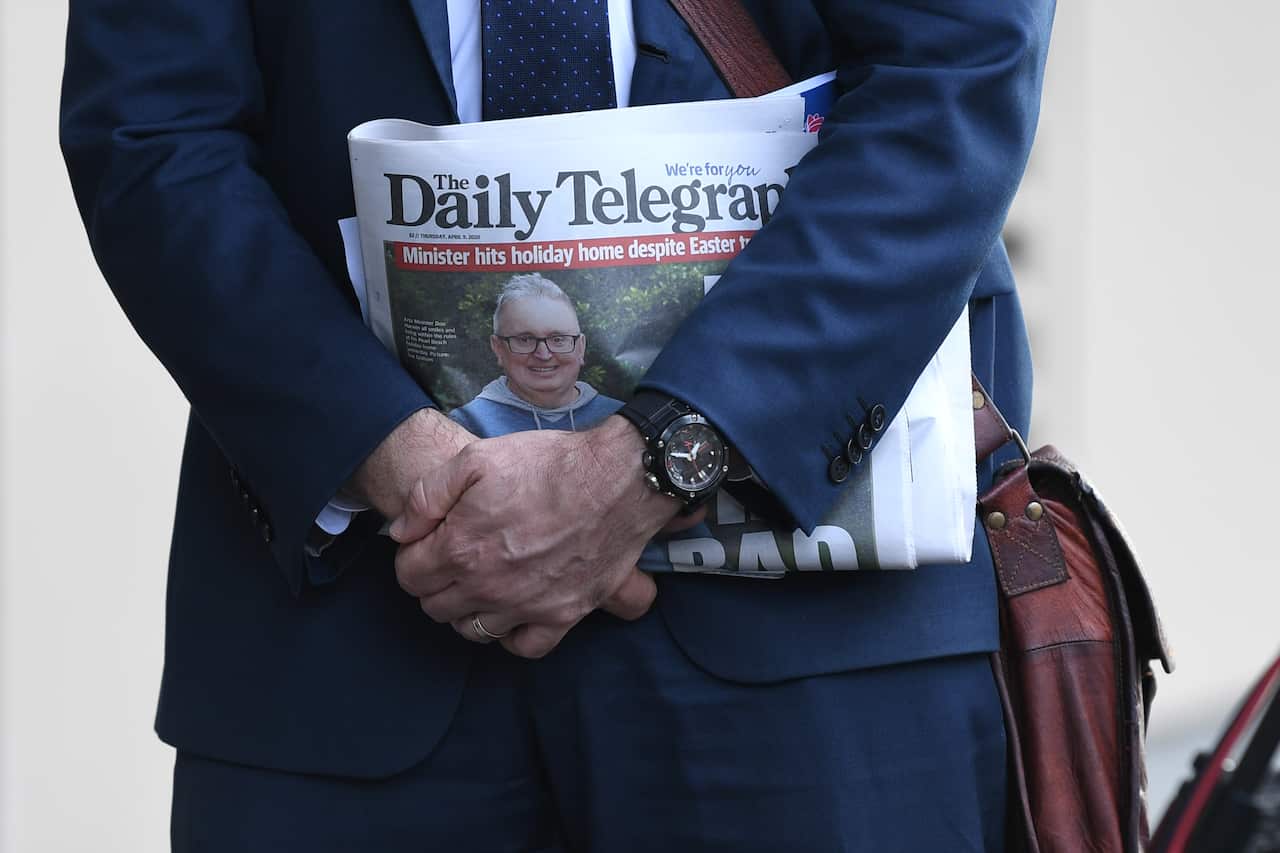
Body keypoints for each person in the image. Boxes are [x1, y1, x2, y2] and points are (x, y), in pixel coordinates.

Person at [60, 0, 1053, 850]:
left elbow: (952, 77)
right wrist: (394, 457)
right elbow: (150, 132)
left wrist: (652, 462)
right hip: (353, 632)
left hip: (816, 641)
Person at [449, 273, 622, 437]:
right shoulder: (463, 425)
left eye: (558, 339)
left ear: (581, 347)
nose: (544, 354)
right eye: (525, 339)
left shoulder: (620, 419)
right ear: (498, 348)